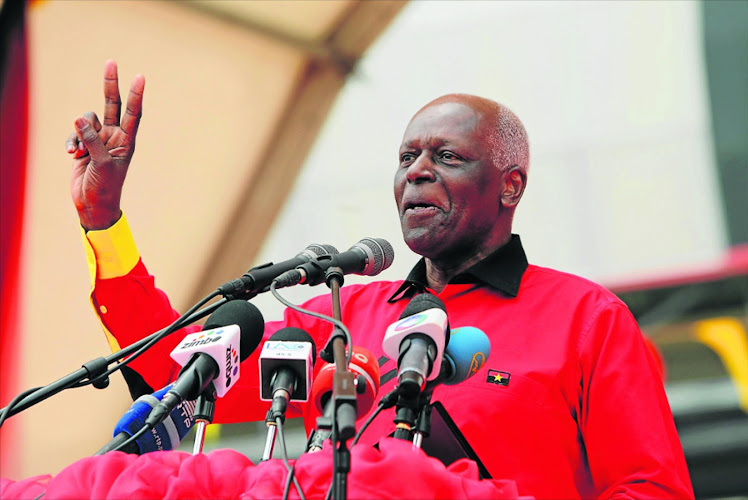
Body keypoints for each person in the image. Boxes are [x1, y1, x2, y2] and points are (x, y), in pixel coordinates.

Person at [66, 60, 694, 499]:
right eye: (405, 159)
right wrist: (104, 221)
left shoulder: (587, 318)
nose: (415, 173)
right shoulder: (347, 315)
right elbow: (173, 366)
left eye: (446, 157)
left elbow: (653, 489)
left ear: (510, 184)